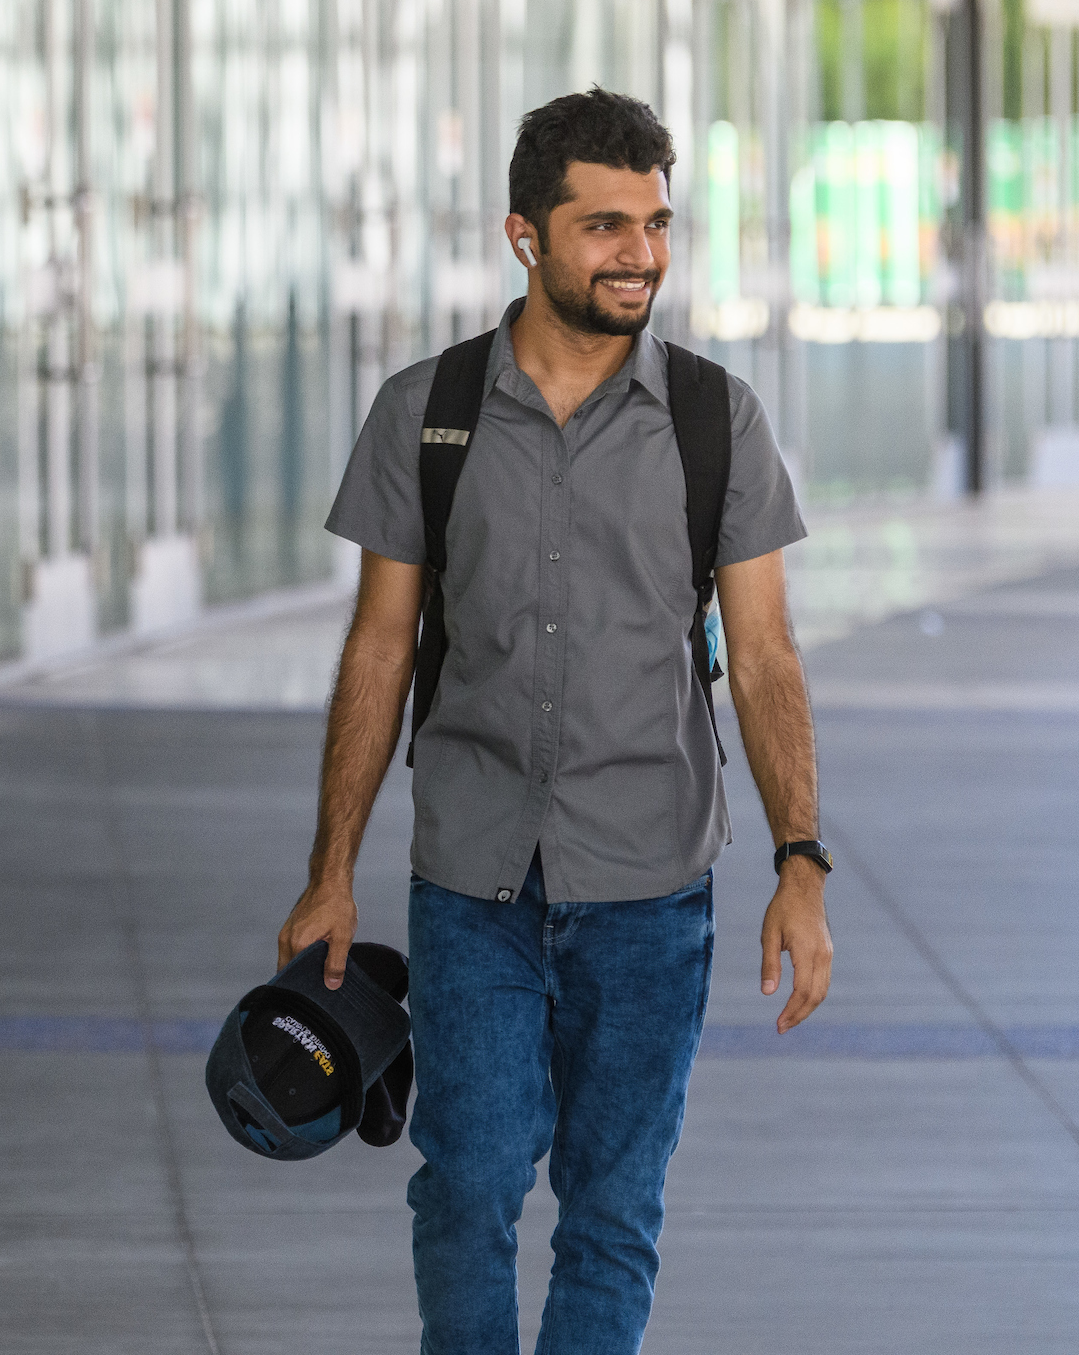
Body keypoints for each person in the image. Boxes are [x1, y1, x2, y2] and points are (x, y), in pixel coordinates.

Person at [277, 86, 832, 1355]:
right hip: (473, 878)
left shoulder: (713, 420)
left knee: (612, 1206)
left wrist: (802, 861)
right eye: (603, 226)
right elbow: (379, 647)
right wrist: (330, 876)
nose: (640, 253)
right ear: (524, 236)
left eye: (656, 222)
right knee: (466, 1185)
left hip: (650, 885)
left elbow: (764, 656)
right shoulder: (430, 413)